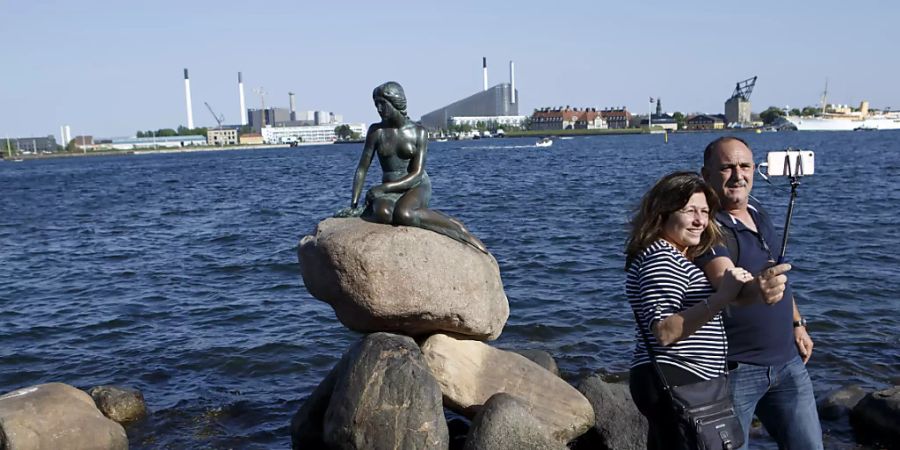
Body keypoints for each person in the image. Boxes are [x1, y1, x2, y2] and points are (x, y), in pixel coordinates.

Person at [697, 136, 823, 449]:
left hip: (788, 364)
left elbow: (778, 273)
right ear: (706, 175)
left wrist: (797, 323)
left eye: (745, 166)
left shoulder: (757, 210)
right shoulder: (706, 225)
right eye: (727, 168)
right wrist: (755, 288)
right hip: (735, 373)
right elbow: (725, 279)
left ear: (755, 169)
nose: (738, 175)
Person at [626, 171, 753, 449]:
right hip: (678, 381)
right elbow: (664, 331)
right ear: (663, 212)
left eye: (705, 212)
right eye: (690, 211)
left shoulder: (675, 255)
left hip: (683, 380)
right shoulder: (661, 257)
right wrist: (722, 297)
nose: (700, 221)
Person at [342, 81, 487, 253]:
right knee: (384, 214)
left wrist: (383, 188)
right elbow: (362, 168)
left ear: (396, 102)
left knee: (405, 214)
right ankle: (428, 216)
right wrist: (354, 203)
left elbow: (417, 173)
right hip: (389, 189)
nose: (379, 109)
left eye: (382, 104)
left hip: (416, 185)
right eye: (376, 105)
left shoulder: (419, 132)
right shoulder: (376, 132)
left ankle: (457, 229)